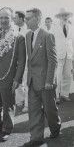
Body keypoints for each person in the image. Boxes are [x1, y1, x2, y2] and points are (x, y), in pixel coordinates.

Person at [0, 7, 26, 139]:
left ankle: (7, 128)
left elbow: (22, 61)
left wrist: (17, 79)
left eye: (6, 17)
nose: (3, 20)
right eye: (1, 17)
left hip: (8, 76)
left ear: (11, 18)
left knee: (8, 104)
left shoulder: (18, 37)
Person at [22, 8, 61, 147]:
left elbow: (53, 60)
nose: (25, 20)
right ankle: (36, 138)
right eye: (25, 18)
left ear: (37, 19)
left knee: (50, 110)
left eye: (28, 18)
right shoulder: (27, 35)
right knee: (33, 110)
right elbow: (30, 59)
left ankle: (55, 127)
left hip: (46, 82)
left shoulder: (47, 35)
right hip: (32, 80)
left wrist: (50, 81)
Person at [55, 8, 74, 103]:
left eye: (66, 15)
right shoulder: (55, 27)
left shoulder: (71, 27)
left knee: (67, 75)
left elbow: (72, 41)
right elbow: (53, 41)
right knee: (57, 76)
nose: (65, 17)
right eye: (63, 15)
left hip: (69, 54)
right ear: (60, 17)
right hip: (59, 54)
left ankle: (64, 94)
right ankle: (56, 96)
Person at [14, 11, 28, 112]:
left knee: (26, 81)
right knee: (17, 79)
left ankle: (27, 104)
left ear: (22, 18)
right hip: (16, 60)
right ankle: (20, 99)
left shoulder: (27, 30)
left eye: (15, 18)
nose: (14, 19)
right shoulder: (14, 29)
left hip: (26, 59)